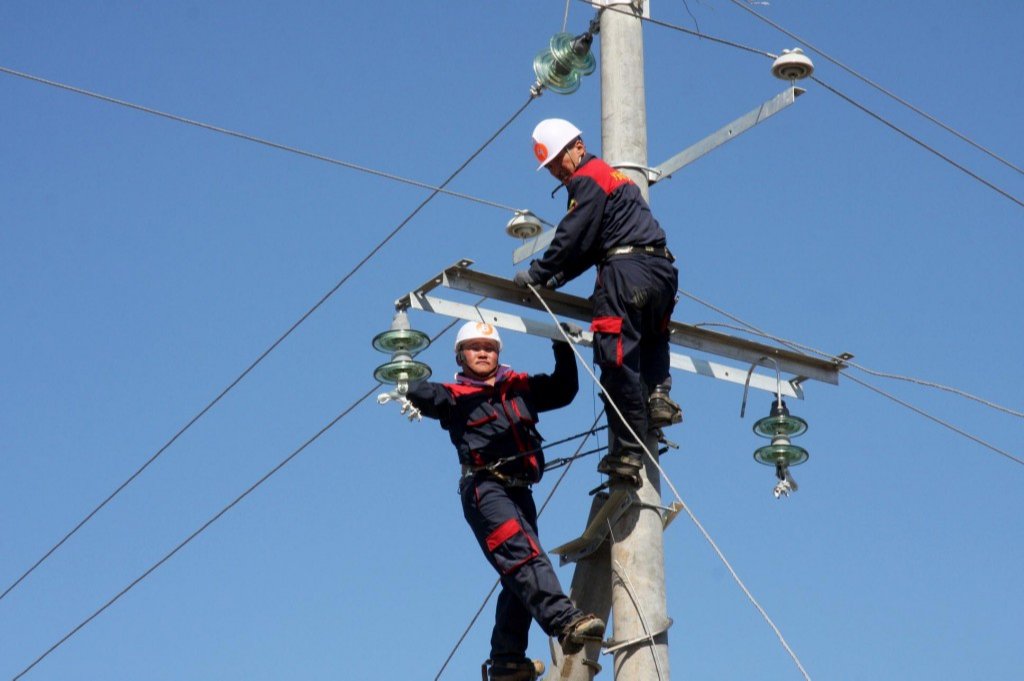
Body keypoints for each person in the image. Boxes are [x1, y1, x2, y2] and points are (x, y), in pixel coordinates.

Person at [403, 321, 605, 681]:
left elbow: (563, 389)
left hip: (520, 491)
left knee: (518, 574)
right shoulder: (453, 395)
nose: (483, 352)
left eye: (490, 347)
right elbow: (420, 394)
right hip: (485, 489)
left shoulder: (519, 388)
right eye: (475, 347)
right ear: (460, 356)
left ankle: (507, 660)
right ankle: (564, 621)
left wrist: (561, 341)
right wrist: (403, 360)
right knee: (523, 555)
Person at [514, 118, 682, 484]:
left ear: (578, 145)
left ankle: (628, 450)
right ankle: (658, 396)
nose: (558, 171)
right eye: (552, 167)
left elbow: (574, 236)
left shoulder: (588, 178)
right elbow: (590, 244)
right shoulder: (615, 182)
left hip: (625, 274)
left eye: (560, 160)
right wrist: (556, 278)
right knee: (652, 336)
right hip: (662, 272)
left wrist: (540, 272)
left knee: (615, 357)